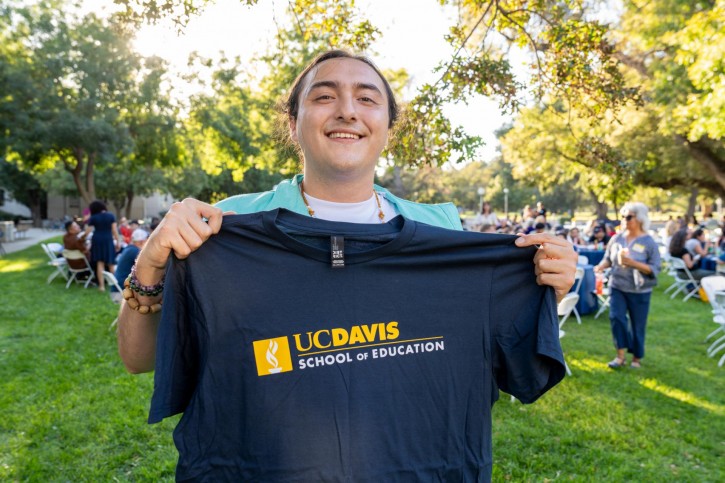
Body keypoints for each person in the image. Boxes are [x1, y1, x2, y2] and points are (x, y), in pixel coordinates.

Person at [117, 49, 577, 480]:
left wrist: (539, 288)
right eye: (324, 96)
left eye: (366, 98)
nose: (347, 111)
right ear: (294, 122)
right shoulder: (227, 227)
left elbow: (509, 367)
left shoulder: (445, 232)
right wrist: (153, 262)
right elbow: (137, 360)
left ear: (388, 126)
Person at [595, 203, 661, 369]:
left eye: (629, 216)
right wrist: (601, 266)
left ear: (639, 219)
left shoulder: (648, 242)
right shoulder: (617, 238)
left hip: (640, 290)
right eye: (623, 216)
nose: (624, 220)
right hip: (617, 286)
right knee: (616, 318)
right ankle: (620, 356)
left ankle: (636, 358)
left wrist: (633, 263)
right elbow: (608, 258)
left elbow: (655, 268)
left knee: (638, 324)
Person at [85, 200, 119, 291]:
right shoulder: (111, 215)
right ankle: (115, 285)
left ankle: (101, 286)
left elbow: (88, 231)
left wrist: (83, 237)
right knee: (111, 262)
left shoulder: (93, 217)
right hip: (108, 240)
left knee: (100, 263)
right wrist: (118, 241)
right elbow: (114, 231)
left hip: (97, 239)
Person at [112, 228, 149, 302]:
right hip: (121, 293)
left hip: (116, 289)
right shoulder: (135, 252)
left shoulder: (129, 249)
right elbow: (147, 267)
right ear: (142, 241)